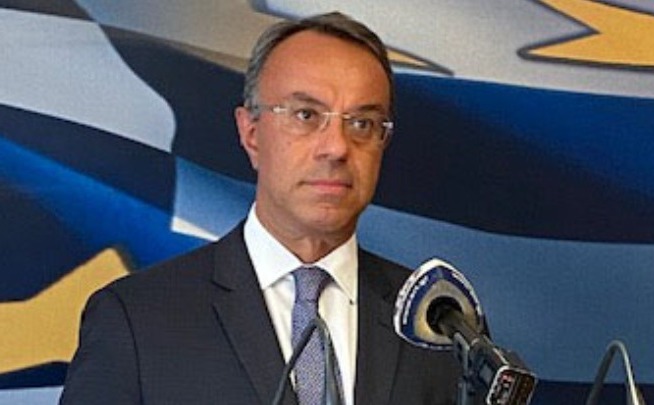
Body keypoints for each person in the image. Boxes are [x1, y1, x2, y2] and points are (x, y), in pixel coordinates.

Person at [60, 12, 460, 405]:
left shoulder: (440, 321)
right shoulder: (136, 320)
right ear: (251, 133)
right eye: (306, 115)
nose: (337, 147)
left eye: (362, 123)